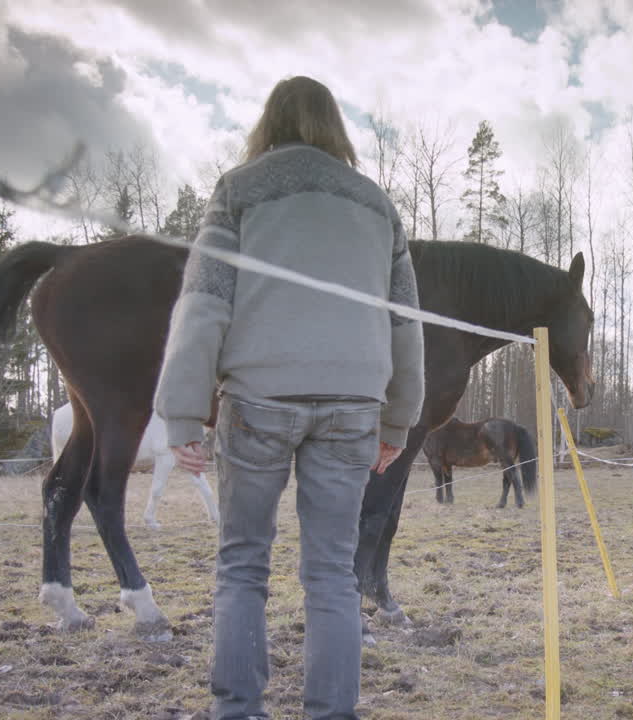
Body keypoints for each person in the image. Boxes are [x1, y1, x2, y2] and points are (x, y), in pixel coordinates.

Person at [155, 76, 424, 720]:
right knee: (332, 571)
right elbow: (405, 322)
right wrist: (399, 420)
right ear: (335, 126)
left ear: (269, 122)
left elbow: (204, 304)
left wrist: (183, 411)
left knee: (242, 563)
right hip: (353, 406)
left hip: (258, 399)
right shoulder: (376, 203)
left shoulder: (240, 190)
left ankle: (238, 709)